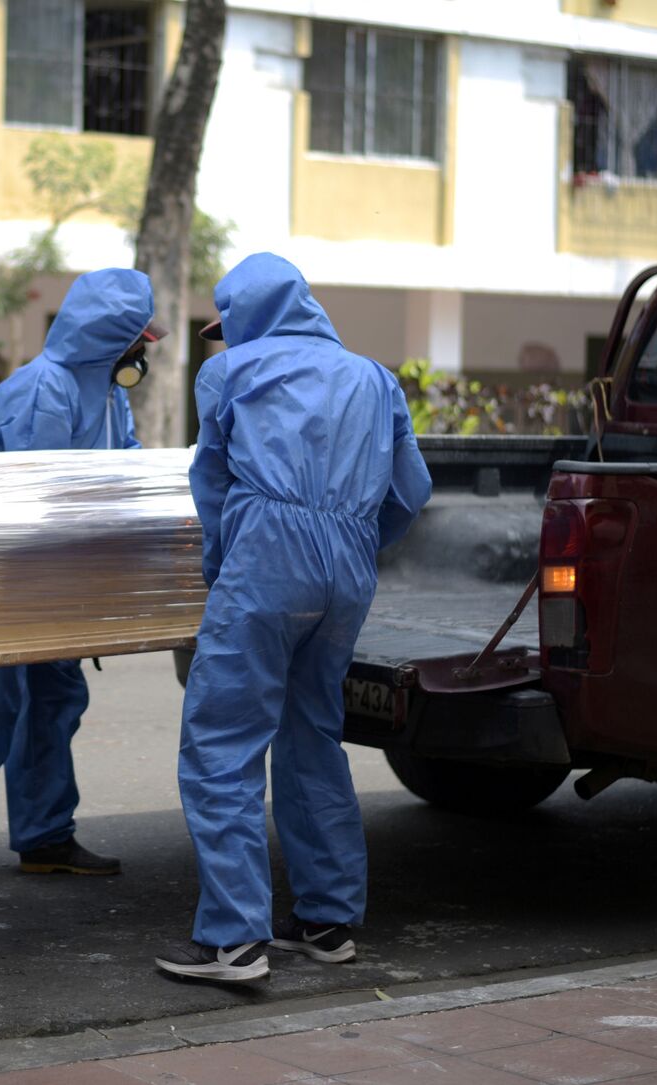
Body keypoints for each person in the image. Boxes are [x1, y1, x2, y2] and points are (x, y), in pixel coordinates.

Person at [155, 253, 432, 985]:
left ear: (246, 315)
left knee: (222, 741)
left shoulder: (229, 373)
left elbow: (212, 483)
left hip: (267, 562)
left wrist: (225, 569)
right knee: (312, 735)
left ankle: (234, 939)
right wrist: (354, 541)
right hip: (347, 571)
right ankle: (327, 921)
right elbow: (413, 489)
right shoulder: (374, 379)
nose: (226, 338)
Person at [0, 268, 165, 882]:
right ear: (110, 336)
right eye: (137, 341)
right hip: (13, 574)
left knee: (56, 701)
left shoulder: (107, 389)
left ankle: (45, 835)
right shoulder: (44, 388)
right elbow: (43, 491)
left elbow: (123, 460)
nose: (141, 354)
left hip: (64, 576)